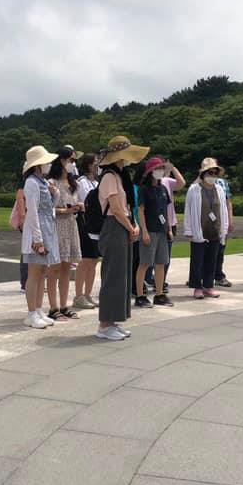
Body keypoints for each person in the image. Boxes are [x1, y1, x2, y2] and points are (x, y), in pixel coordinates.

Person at [96, 136, 148, 341]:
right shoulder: (110, 177)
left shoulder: (119, 177)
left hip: (122, 226)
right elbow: (116, 209)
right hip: (114, 227)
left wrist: (132, 225)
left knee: (122, 275)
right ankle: (104, 323)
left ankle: (113, 320)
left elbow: (124, 208)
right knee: (113, 275)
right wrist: (131, 226)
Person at [21, 146, 60, 329]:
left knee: (42, 271)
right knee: (34, 273)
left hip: (47, 228)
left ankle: (38, 309)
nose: (49, 165)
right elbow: (33, 212)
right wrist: (37, 239)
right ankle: (31, 312)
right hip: (38, 231)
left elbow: (48, 208)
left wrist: (56, 194)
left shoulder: (42, 182)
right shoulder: (31, 183)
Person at [183, 158, 229, 300]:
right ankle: (197, 286)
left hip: (214, 230)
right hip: (199, 230)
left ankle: (208, 286)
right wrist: (189, 230)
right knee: (198, 260)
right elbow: (188, 210)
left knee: (212, 259)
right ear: (203, 173)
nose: (212, 175)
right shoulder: (194, 189)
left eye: (215, 173)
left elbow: (223, 210)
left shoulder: (220, 190)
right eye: (210, 172)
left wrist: (224, 229)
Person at [47, 147, 83, 320]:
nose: (72, 164)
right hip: (57, 226)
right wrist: (64, 211)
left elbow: (75, 201)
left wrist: (79, 207)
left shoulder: (73, 182)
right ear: (61, 160)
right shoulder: (51, 182)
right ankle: (53, 308)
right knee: (55, 268)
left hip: (71, 225)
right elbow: (48, 209)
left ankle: (64, 305)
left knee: (67, 268)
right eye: (70, 160)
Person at [135, 157, 175, 308]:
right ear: (151, 172)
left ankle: (159, 294)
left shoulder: (163, 189)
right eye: (157, 169)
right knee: (145, 263)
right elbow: (141, 210)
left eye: (162, 169)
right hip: (150, 230)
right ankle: (140, 295)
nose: (160, 172)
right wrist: (144, 231)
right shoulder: (144, 189)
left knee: (161, 263)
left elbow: (166, 210)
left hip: (162, 230)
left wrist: (169, 228)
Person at [145, 158, 186, 294]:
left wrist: (172, 168)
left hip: (169, 222)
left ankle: (160, 282)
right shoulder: (147, 186)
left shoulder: (166, 182)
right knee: (149, 257)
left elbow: (181, 183)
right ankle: (148, 279)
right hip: (152, 224)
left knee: (164, 257)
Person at [73, 152, 100, 309]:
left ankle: (88, 293)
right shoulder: (81, 182)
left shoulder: (97, 183)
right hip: (84, 222)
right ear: (88, 164)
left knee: (94, 260)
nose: (96, 165)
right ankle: (78, 295)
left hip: (97, 224)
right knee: (85, 260)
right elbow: (77, 200)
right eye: (94, 162)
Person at [213, 163, 235, 288]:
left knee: (220, 250)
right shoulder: (199, 183)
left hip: (221, 221)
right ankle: (199, 276)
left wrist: (230, 220)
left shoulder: (222, 183)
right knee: (203, 251)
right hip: (206, 222)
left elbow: (228, 202)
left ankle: (218, 275)